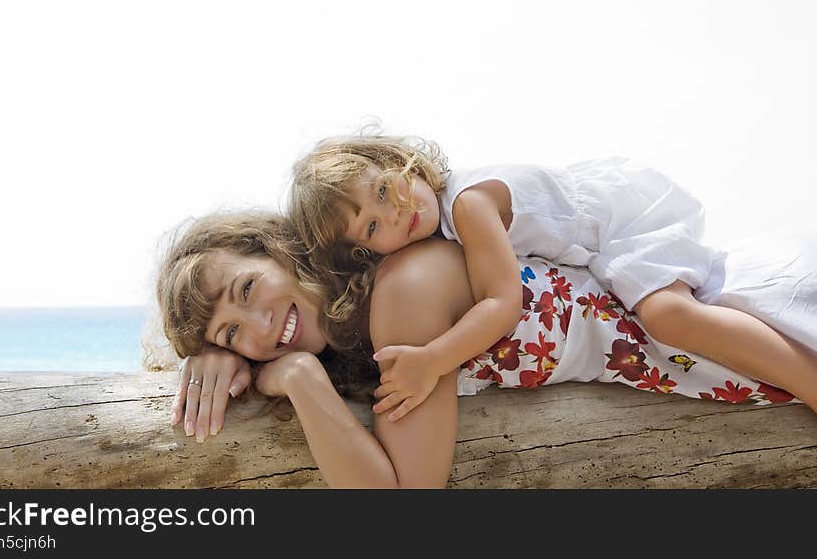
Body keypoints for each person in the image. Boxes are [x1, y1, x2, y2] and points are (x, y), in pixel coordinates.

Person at [157, 211, 815, 487]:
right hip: (707, 368)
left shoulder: (401, 292)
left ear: (279, 248)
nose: (260, 325)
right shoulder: (357, 337)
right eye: (232, 333)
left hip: (740, 315)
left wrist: (295, 375)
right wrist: (279, 371)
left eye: (248, 287)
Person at [287, 131, 817, 419]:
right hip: (605, 238)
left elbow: (504, 303)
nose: (395, 213)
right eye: (373, 226)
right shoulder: (447, 224)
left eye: (383, 190)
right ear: (364, 252)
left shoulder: (469, 205)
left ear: (398, 161)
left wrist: (433, 359)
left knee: (670, 317)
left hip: (624, 220)